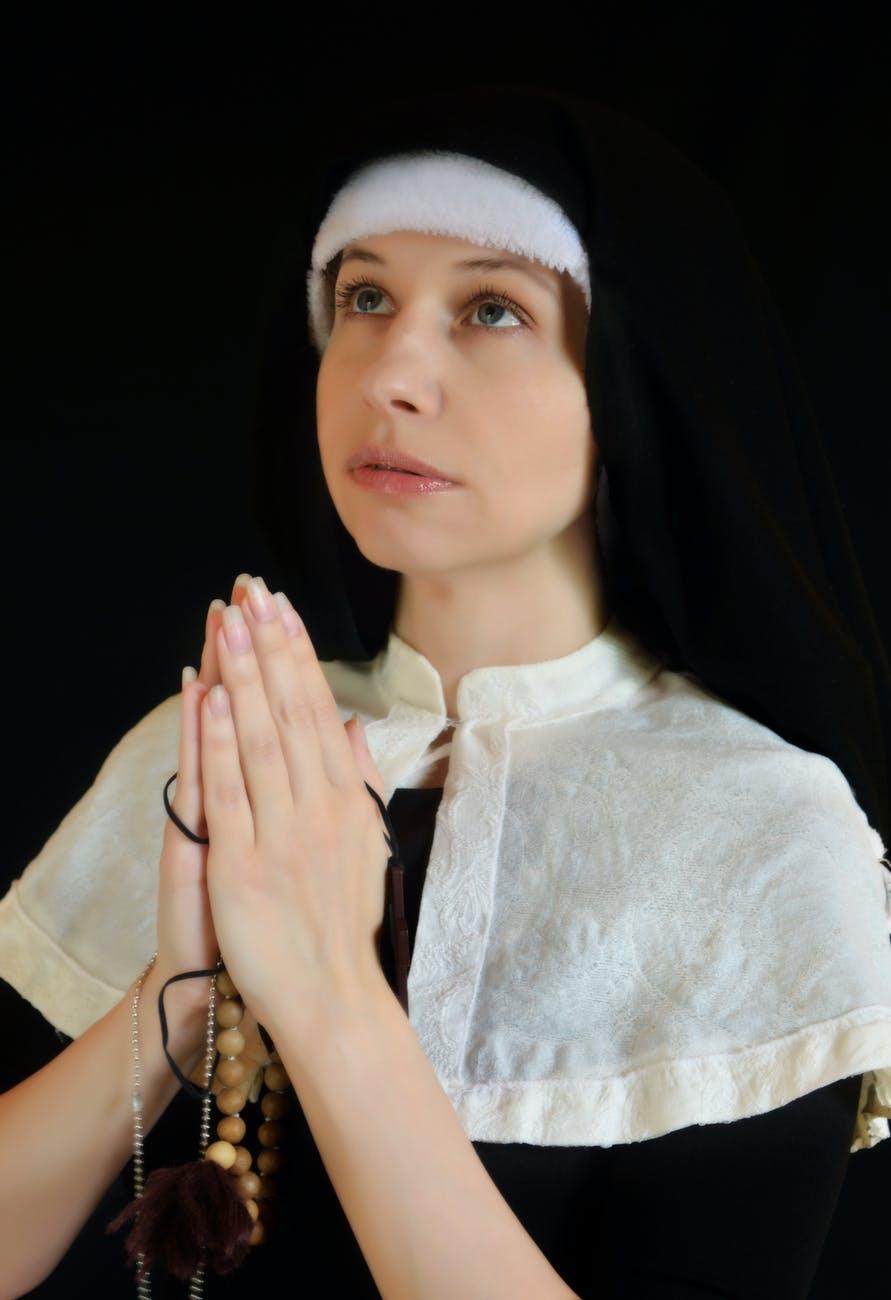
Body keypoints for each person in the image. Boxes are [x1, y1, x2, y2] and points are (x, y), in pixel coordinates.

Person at [1, 86, 890, 1299]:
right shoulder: (220, 745)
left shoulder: (763, 834)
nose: (392, 373)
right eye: (364, 297)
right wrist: (180, 987)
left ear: (628, 381)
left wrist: (321, 986)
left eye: (491, 308)